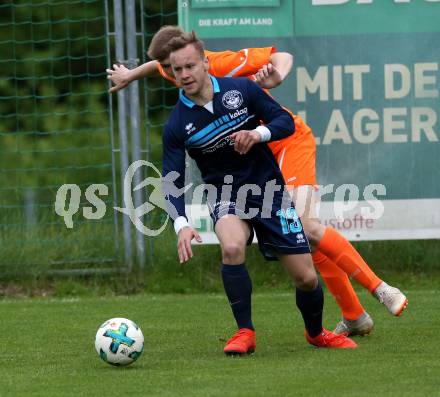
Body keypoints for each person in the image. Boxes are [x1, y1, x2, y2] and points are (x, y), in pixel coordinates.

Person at [107, 26, 408, 336]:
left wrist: (277, 76)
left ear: (202, 61)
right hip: (250, 159)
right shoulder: (179, 68)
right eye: (168, 68)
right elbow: (156, 66)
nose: (173, 74)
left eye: (175, 67)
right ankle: (355, 316)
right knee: (302, 241)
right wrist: (131, 76)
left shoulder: (219, 65)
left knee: (306, 227)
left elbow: (283, 56)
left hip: (284, 141)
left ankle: (381, 288)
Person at [160, 31, 357, 353]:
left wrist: (258, 133)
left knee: (306, 278)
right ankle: (244, 333)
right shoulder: (177, 123)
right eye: (176, 69)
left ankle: (316, 332)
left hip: (269, 192)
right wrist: (181, 224)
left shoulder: (242, 89)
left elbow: (284, 122)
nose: (183, 75)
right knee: (233, 247)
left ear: (206, 63)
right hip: (227, 195)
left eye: (189, 66)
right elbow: (171, 178)